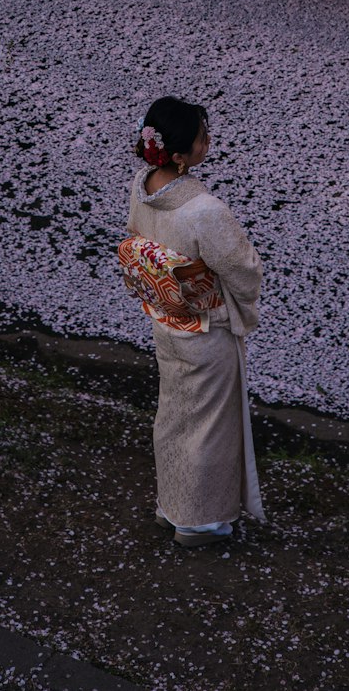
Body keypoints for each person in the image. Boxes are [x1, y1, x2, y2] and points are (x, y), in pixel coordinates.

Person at [122, 96, 264, 547]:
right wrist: (237, 305)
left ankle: (171, 505)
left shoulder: (142, 189)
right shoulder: (204, 211)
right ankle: (199, 521)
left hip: (166, 320)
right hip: (207, 328)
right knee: (208, 427)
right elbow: (244, 270)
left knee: (175, 418)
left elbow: (137, 241)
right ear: (179, 155)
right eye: (203, 137)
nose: (209, 142)